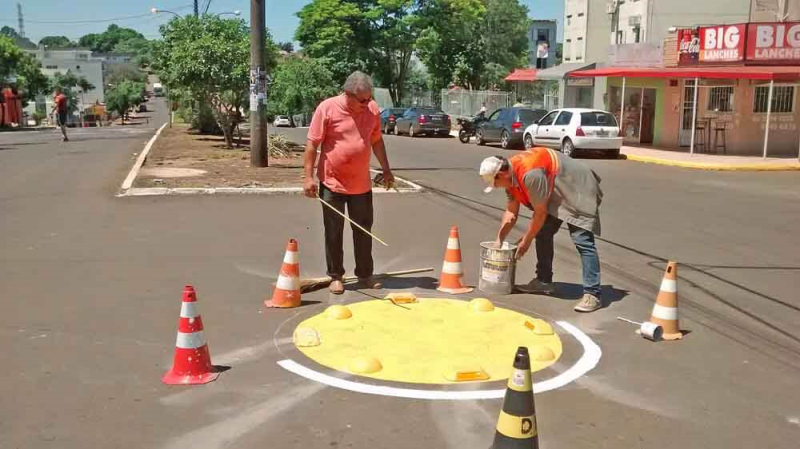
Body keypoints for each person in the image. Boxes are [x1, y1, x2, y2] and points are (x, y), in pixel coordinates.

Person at [479, 147, 604, 312]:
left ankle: (592, 293)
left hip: (577, 189)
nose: (495, 187)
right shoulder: (511, 178)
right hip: (554, 191)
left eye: (495, 183)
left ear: (502, 175)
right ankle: (544, 281)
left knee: (582, 240)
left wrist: (526, 241)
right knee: (543, 234)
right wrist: (499, 240)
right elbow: (511, 212)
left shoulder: (530, 174)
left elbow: (540, 212)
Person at [303, 71, 395, 295]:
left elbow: (376, 140)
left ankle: (365, 274)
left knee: (364, 231)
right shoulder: (327, 108)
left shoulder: (371, 109)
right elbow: (312, 145)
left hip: (361, 185)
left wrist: (386, 169)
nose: (368, 103)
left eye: (369, 98)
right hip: (332, 182)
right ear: (348, 94)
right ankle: (336, 276)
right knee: (333, 233)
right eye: (363, 99)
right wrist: (308, 177)